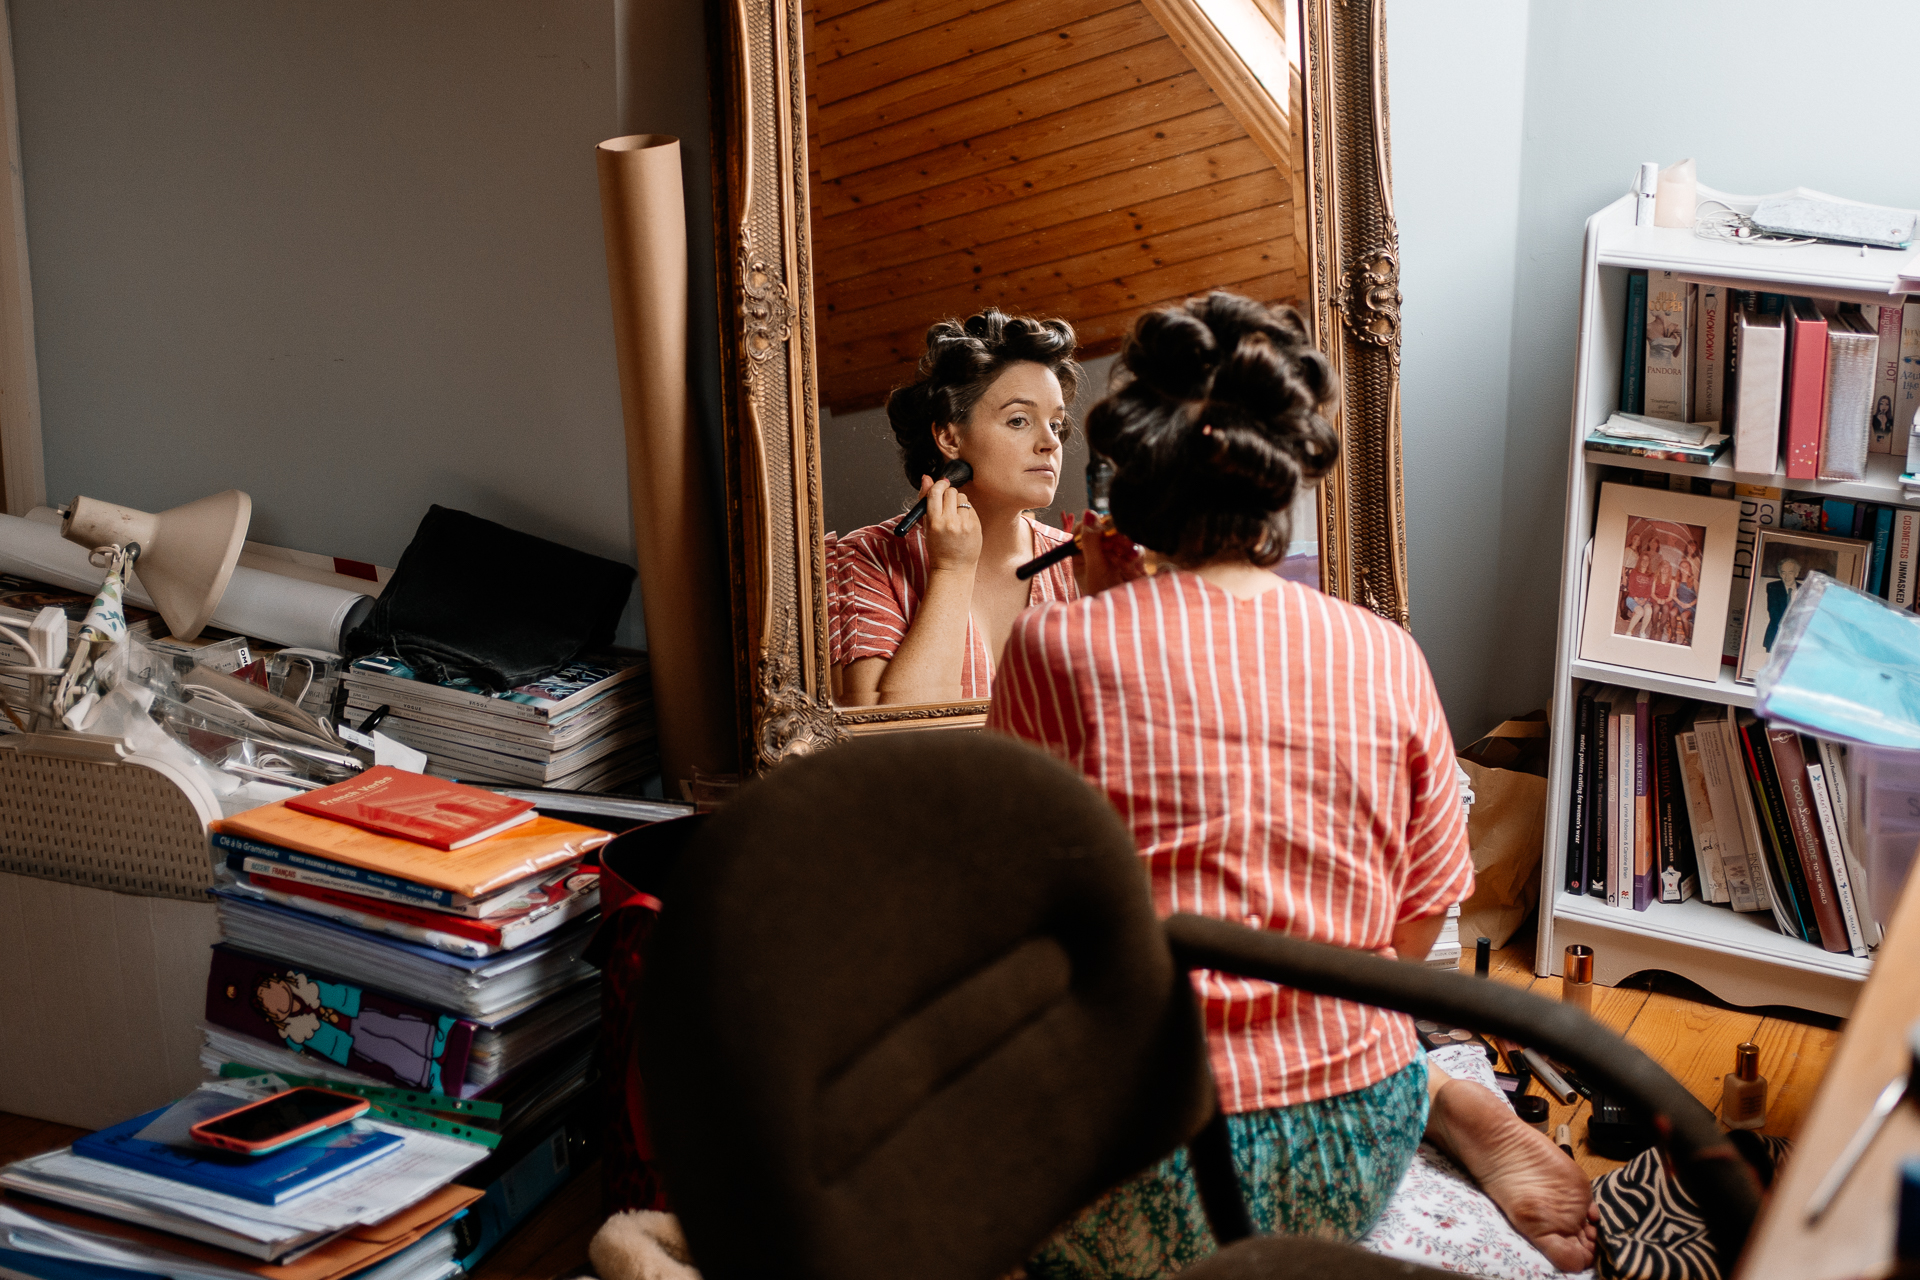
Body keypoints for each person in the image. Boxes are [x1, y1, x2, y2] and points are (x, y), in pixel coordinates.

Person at [987, 292, 1596, 1275]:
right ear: (1284, 480)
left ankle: (1439, 1093)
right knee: (1376, 995)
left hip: (1134, 1167)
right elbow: (1411, 931)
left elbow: (1018, 911)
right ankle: (1438, 1092)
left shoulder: (1055, 642)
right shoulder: (1385, 651)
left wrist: (1101, 614)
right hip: (1344, 1149)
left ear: (1127, 487)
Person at [831, 310, 1082, 706]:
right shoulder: (866, 559)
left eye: (1056, 422)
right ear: (949, 437)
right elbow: (889, 738)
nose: (1050, 442)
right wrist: (952, 570)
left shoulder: (1079, 562)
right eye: (1019, 420)